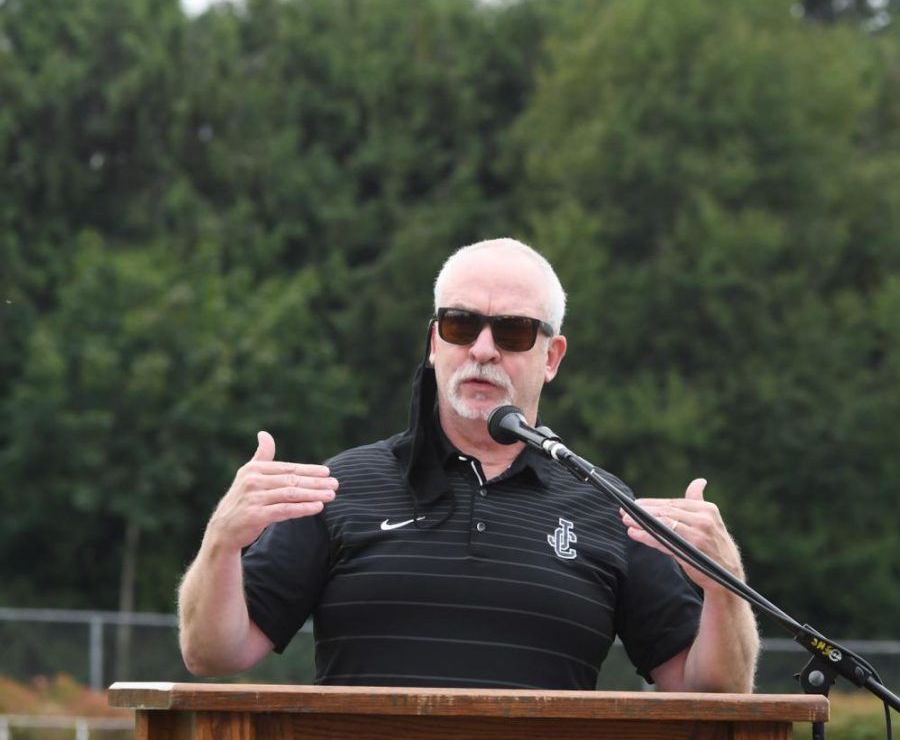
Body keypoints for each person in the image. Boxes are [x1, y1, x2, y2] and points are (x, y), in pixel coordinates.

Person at [178, 237, 759, 691]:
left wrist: (724, 586)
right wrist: (221, 543)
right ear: (434, 343)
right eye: (461, 325)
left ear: (551, 357)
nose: (483, 348)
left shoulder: (609, 506)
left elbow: (712, 687)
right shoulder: (337, 488)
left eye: (512, 331)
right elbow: (213, 653)